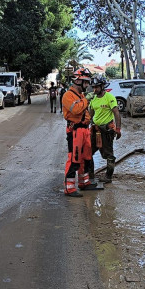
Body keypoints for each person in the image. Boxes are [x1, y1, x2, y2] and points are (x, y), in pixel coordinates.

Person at [61, 68, 95, 197]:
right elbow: (75, 110)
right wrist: (86, 100)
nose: (87, 85)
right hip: (75, 131)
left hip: (84, 130)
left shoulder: (81, 95)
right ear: (77, 81)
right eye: (85, 82)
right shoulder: (68, 95)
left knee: (86, 158)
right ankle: (69, 188)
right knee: (74, 159)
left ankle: (83, 182)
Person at [88, 76, 122, 183]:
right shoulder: (93, 99)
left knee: (108, 154)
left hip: (106, 130)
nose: (95, 89)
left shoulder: (109, 97)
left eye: (97, 87)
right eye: (93, 87)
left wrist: (118, 129)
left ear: (102, 86)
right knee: (88, 152)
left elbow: (116, 113)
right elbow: (91, 114)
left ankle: (108, 176)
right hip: (95, 129)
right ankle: (90, 175)